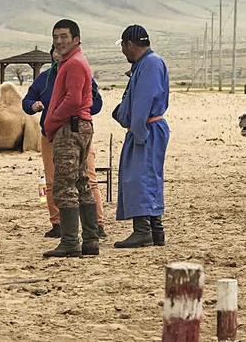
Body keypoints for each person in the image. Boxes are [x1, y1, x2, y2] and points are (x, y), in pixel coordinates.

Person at [23, 46, 107, 240]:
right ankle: (58, 223)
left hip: (77, 132)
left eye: (63, 49)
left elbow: (96, 104)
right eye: (55, 50)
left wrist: (77, 108)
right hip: (51, 135)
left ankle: (97, 224)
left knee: (88, 179)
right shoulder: (44, 78)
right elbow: (27, 101)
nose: (59, 54)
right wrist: (33, 106)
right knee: (52, 181)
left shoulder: (79, 71)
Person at [42, 19, 100, 258]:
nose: (59, 41)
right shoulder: (72, 62)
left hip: (70, 127)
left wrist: (53, 120)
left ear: (76, 39)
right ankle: (90, 239)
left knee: (65, 184)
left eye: (64, 36)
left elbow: (74, 100)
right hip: (79, 126)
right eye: (56, 36)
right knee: (81, 181)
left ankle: (69, 241)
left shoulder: (74, 64)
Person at [112, 24, 170, 249]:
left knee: (140, 177)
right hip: (148, 127)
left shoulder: (150, 64)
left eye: (123, 47)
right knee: (147, 175)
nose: (123, 52)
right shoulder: (146, 64)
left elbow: (143, 101)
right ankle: (156, 230)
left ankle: (143, 230)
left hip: (146, 129)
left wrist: (138, 131)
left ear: (129, 44)